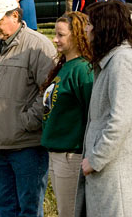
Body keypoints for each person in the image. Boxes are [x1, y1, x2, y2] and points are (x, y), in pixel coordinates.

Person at [0, 0, 56, 217]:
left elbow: (50, 93)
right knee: (3, 208)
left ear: (16, 15)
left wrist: (27, 121)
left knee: (29, 209)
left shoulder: (38, 47)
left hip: (26, 147)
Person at [76, 0, 132, 217]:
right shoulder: (113, 60)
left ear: (105, 27)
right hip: (110, 164)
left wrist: (96, 159)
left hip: (117, 165)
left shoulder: (122, 62)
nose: (86, 29)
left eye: (90, 24)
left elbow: (120, 120)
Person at [40, 12, 93, 217]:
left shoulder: (82, 70)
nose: (55, 39)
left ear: (78, 35)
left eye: (61, 35)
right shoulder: (65, 66)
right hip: (56, 153)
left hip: (71, 155)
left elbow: (92, 113)